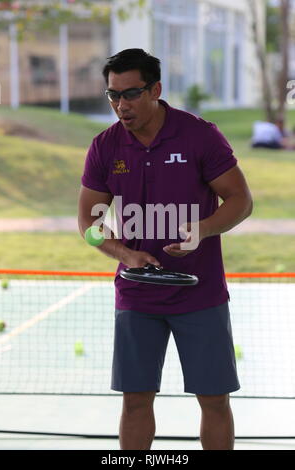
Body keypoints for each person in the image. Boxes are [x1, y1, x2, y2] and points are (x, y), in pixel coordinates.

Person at [78, 48, 253, 451]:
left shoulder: (199, 135)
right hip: (136, 295)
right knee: (136, 400)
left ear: (156, 89)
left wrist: (203, 229)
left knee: (213, 399)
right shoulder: (105, 147)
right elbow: (88, 225)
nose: (121, 105)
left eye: (132, 93)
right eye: (113, 95)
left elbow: (241, 200)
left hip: (201, 293)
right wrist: (124, 254)